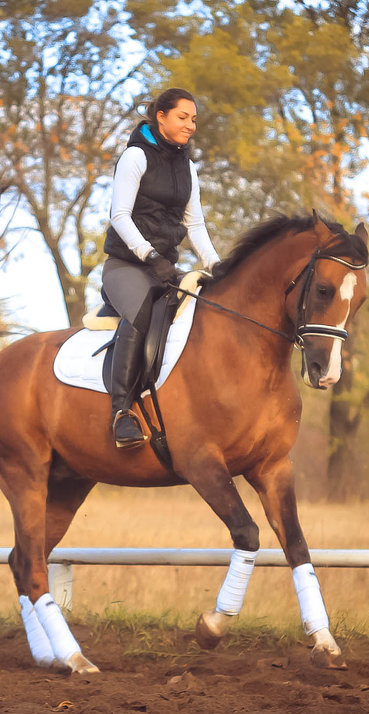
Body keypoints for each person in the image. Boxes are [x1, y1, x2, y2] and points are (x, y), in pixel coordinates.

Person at [102, 87, 221, 449]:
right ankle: (122, 412)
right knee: (141, 315)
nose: (190, 126)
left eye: (194, 120)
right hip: (125, 265)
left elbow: (195, 224)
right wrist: (150, 255)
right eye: (183, 117)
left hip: (165, 268)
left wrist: (215, 264)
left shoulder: (188, 167)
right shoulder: (135, 156)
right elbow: (119, 215)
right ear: (162, 117)